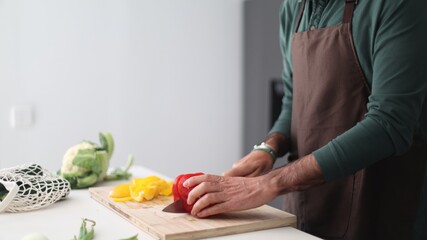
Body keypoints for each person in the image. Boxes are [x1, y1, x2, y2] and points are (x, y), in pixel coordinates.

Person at [183, 0, 427, 239]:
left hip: (376, 209)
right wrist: (268, 149)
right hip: (306, 208)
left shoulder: (398, 5)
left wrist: (269, 183)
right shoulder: (293, 7)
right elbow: (293, 100)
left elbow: (389, 124)